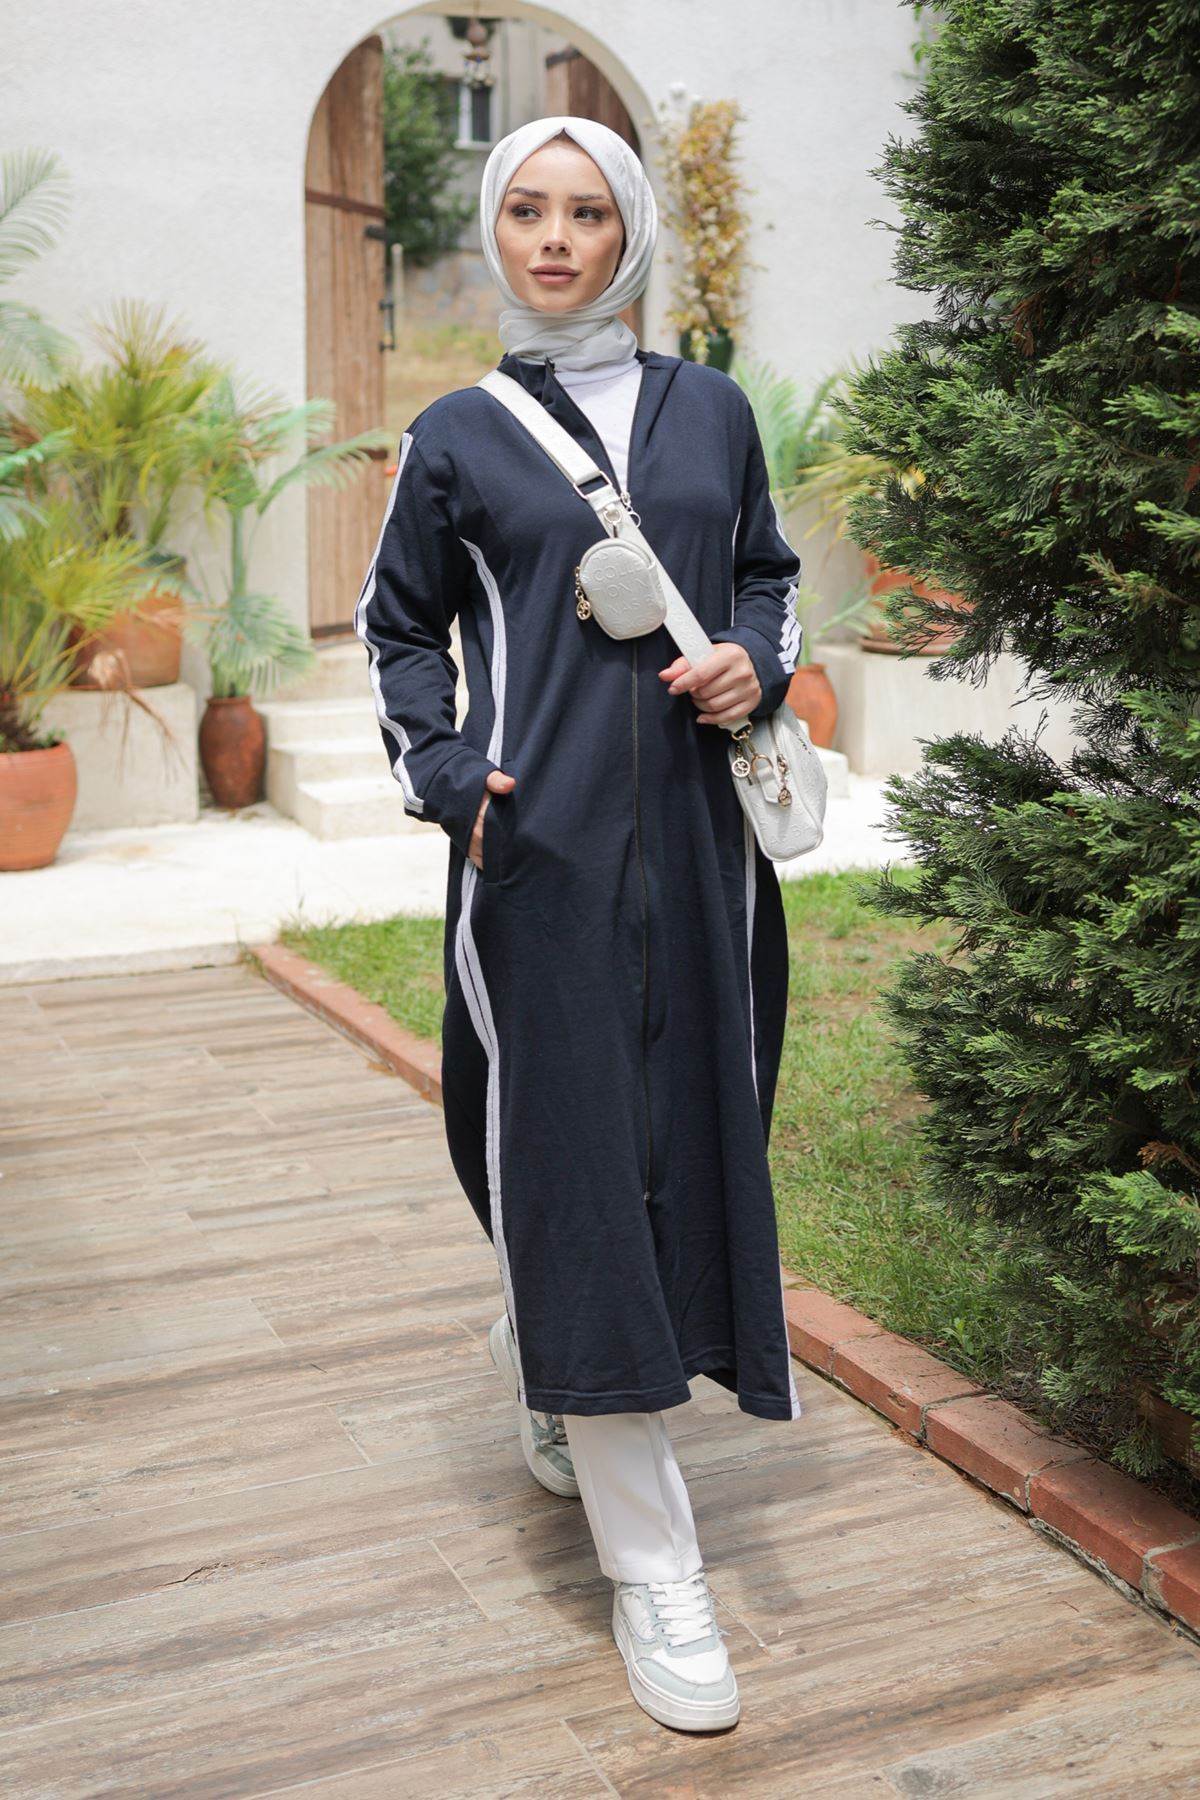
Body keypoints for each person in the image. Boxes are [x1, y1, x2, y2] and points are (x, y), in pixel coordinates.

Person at [355, 114, 803, 1734]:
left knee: (692, 1135)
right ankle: (656, 1567)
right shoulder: (457, 437)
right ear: (496, 231)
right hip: (535, 852)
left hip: (701, 852)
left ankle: (557, 1352)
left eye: (589, 213)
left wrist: (758, 660)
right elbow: (396, 628)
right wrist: (447, 774)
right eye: (528, 210)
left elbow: (768, 575)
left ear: (631, 236)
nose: (555, 239)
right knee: (568, 1163)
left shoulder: (712, 412)